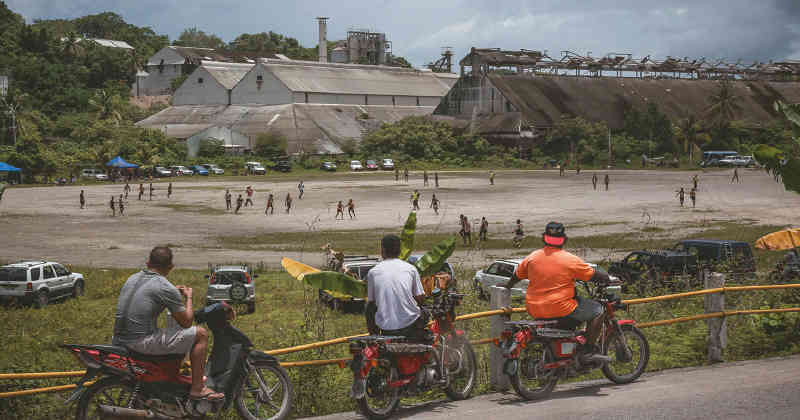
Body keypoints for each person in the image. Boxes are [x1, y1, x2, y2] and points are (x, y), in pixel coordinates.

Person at [112, 247, 224, 401]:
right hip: (139, 342)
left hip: (118, 340)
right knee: (201, 334)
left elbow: (150, 296)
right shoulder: (165, 287)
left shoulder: (131, 278)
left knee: (171, 331)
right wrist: (189, 297)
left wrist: (171, 292)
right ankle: (198, 388)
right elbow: (186, 322)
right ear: (170, 267)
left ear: (148, 262)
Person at [503, 222, 611, 363]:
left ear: (544, 238)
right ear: (564, 240)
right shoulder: (570, 259)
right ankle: (589, 350)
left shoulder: (532, 257)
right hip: (560, 308)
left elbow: (516, 276)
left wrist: (507, 286)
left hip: (534, 309)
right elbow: (593, 275)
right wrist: (606, 277)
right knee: (599, 310)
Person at [365, 235, 426, 340]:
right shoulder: (410, 269)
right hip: (411, 324)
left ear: (382, 249)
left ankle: (374, 338)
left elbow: (371, 303)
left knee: (368, 307)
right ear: (399, 250)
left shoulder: (373, 272)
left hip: (386, 328)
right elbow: (420, 298)